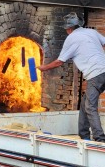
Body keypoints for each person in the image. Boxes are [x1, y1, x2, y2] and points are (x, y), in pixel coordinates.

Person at [37, 12, 105, 143]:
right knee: (85, 102)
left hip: (95, 74)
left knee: (90, 106)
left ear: (68, 29)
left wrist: (43, 68)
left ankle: (100, 139)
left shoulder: (71, 38)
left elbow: (59, 62)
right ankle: (84, 135)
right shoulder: (91, 32)